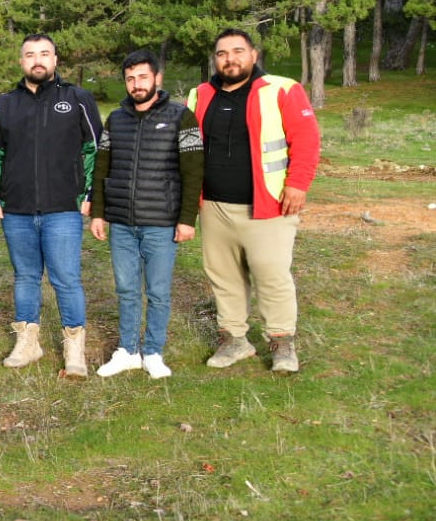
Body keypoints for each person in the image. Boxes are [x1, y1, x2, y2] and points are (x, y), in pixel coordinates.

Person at [187, 28, 320, 372]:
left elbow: (306, 139)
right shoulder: (200, 95)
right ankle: (234, 340)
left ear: (253, 55)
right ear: (215, 59)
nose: (230, 59)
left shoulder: (282, 89)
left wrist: (298, 184)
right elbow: (188, 149)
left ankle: (282, 343)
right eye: (222, 54)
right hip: (214, 206)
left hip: (269, 206)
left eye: (238, 51)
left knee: (271, 274)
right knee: (224, 276)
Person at [0, 33, 103, 377]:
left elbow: (95, 149)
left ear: (55, 60)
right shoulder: (5, 104)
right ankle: (28, 343)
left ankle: (74, 349)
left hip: (63, 208)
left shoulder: (77, 98)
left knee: (66, 279)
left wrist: (91, 194)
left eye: (44, 54)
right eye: (30, 54)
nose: (37, 60)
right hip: (17, 209)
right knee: (25, 277)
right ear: (21, 61)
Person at [90, 50, 204, 379]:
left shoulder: (182, 117)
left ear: (157, 78)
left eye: (142, 77)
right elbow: (102, 167)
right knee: (126, 290)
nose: (136, 84)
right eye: (130, 79)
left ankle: (153, 352)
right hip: (122, 223)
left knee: (157, 292)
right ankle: (127, 350)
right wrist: (98, 212)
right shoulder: (115, 119)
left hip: (161, 223)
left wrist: (187, 219)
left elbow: (193, 172)